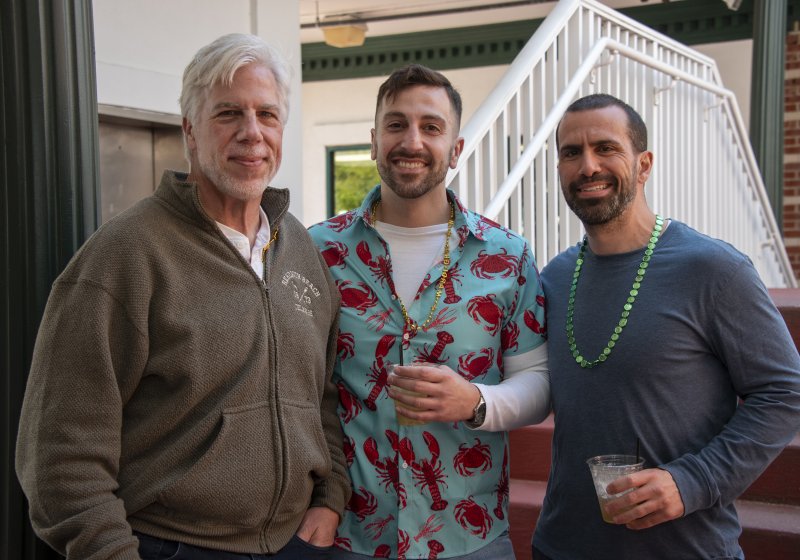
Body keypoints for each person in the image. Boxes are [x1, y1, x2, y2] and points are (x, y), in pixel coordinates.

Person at [16, 33, 350, 559]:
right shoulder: (124, 255)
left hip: (296, 543)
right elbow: (61, 449)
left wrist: (331, 497)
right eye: (228, 114)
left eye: (267, 114)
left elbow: (323, 394)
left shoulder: (301, 251)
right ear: (190, 130)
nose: (251, 133)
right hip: (169, 546)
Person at [532, 93, 800, 559]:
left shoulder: (714, 269)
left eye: (606, 148)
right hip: (562, 546)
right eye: (571, 153)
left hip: (682, 549)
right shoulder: (554, 277)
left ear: (644, 163)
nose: (587, 166)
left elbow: (785, 391)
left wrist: (692, 481)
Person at [309, 64, 551, 559]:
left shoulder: (507, 255)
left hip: (469, 537)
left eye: (431, 127)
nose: (411, 141)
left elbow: (540, 380)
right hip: (350, 535)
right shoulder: (317, 250)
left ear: (455, 149)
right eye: (396, 125)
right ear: (374, 140)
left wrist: (477, 403)